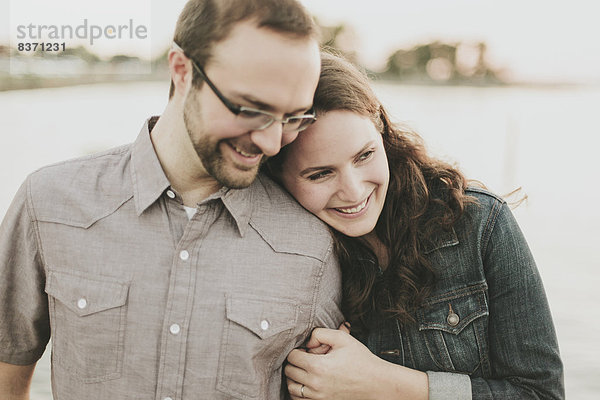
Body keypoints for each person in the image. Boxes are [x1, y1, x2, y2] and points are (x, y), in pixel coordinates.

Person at [0, 1, 344, 399]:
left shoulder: (315, 245)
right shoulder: (49, 204)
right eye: (250, 109)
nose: (270, 142)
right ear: (182, 70)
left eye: (292, 118)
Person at [264, 52, 564, 399]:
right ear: (278, 178)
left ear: (381, 131)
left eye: (364, 156)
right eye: (320, 173)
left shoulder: (479, 223)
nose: (354, 191)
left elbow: (541, 394)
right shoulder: (287, 251)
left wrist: (381, 383)